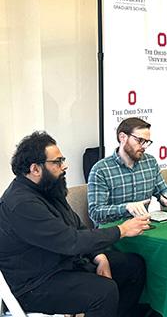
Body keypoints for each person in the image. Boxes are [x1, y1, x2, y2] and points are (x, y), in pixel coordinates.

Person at [0, 131, 153, 317]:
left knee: (133, 266)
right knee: (103, 292)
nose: (64, 166)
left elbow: (78, 227)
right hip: (36, 284)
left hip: (62, 264)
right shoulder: (22, 204)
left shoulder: (48, 189)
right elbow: (70, 241)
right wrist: (121, 230)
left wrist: (99, 256)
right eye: (57, 162)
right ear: (35, 169)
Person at [87, 117, 167, 225]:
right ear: (122, 137)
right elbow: (95, 213)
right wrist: (126, 207)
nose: (144, 146)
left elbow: (163, 190)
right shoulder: (101, 170)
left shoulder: (150, 162)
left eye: (147, 142)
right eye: (140, 140)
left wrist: (166, 197)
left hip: (142, 227)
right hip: (114, 232)